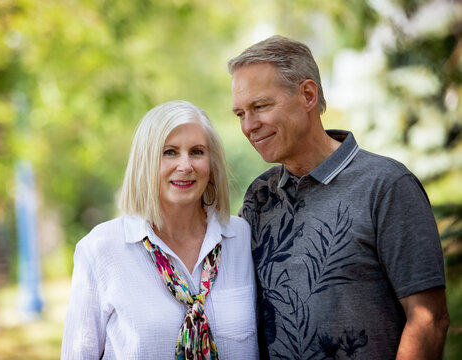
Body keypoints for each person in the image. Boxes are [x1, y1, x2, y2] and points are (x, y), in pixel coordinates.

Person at [228, 35, 450, 359]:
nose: (249, 126)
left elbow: (429, 319)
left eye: (260, 106)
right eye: (240, 114)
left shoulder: (386, 185)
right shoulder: (259, 198)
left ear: (307, 95)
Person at [61, 100, 259, 359]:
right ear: (145, 162)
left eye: (197, 152)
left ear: (212, 165)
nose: (185, 166)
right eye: (169, 152)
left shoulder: (242, 237)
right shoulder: (100, 248)